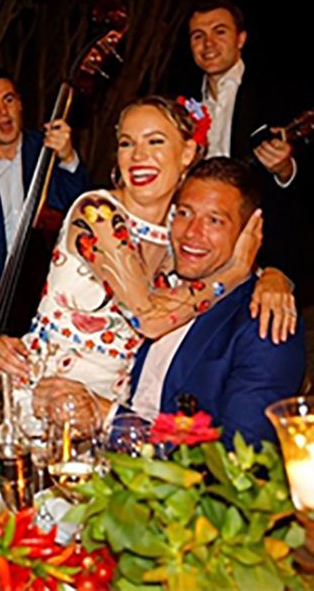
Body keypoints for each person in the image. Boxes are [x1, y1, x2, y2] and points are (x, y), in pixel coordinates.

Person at [0, 96, 295, 493]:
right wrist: (236, 272)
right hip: (34, 404)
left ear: (187, 153)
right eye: (127, 143)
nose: (138, 156)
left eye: (155, 141)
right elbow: (149, 317)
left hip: (108, 426)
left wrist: (274, 276)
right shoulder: (97, 212)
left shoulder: (179, 236)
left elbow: (217, 257)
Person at [34, 157, 306, 447]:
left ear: (250, 232)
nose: (191, 233)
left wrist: (110, 419)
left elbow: (239, 461)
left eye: (214, 220)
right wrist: (13, 352)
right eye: (184, 213)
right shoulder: (151, 286)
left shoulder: (264, 322)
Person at [0, 67, 90, 376]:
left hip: (53, 304)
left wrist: (68, 159)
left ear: (20, 103)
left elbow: (83, 213)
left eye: (8, 99)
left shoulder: (48, 153)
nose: (3, 112)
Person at [186, 0, 309, 286]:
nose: (208, 44)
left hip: (261, 252)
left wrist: (285, 169)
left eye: (219, 32)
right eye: (198, 36)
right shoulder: (181, 100)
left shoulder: (275, 93)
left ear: (240, 39)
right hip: (194, 243)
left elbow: (305, 182)